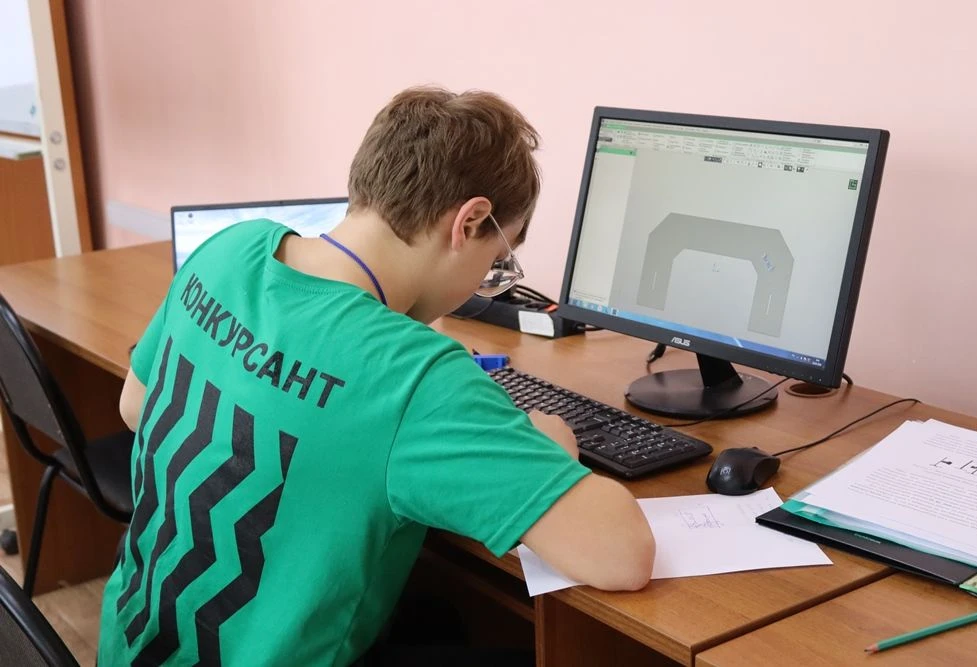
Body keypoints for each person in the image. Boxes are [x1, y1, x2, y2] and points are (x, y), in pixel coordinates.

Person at [99, 86, 654, 666]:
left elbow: (135, 405)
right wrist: (552, 450)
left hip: (131, 646)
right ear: (469, 221)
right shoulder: (415, 376)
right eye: (495, 263)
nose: (482, 283)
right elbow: (622, 555)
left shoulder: (228, 250)